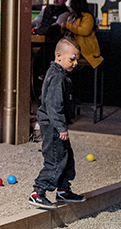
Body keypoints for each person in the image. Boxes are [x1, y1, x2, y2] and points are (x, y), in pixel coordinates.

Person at [29, 38, 87, 210]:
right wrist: (61, 127)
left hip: (56, 125)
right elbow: (54, 106)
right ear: (59, 56)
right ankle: (37, 192)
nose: (75, 63)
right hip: (53, 126)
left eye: (77, 59)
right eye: (72, 59)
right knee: (55, 160)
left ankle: (63, 189)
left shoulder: (59, 75)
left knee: (66, 157)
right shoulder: (57, 77)